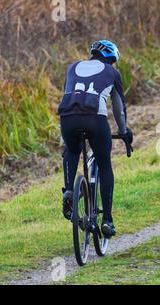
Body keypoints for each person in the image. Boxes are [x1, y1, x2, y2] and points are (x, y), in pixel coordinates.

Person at [58, 40, 133, 238]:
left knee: (72, 150)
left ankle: (68, 191)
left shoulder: (72, 67)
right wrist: (124, 132)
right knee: (104, 164)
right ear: (111, 57)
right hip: (95, 119)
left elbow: (68, 94)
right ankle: (107, 220)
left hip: (67, 118)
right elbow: (119, 109)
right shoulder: (112, 73)